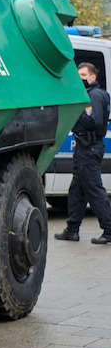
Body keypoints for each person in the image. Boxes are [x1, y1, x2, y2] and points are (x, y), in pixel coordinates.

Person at [55, 62, 111, 244]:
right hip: (84, 148)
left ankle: (109, 229)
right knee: (77, 191)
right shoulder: (89, 94)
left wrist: (76, 112)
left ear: (93, 77)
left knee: (94, 190)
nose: (80, 78)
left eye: (84, 75)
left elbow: (95, 121)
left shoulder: (94, 96)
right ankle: (72, 230)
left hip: (90, 147)